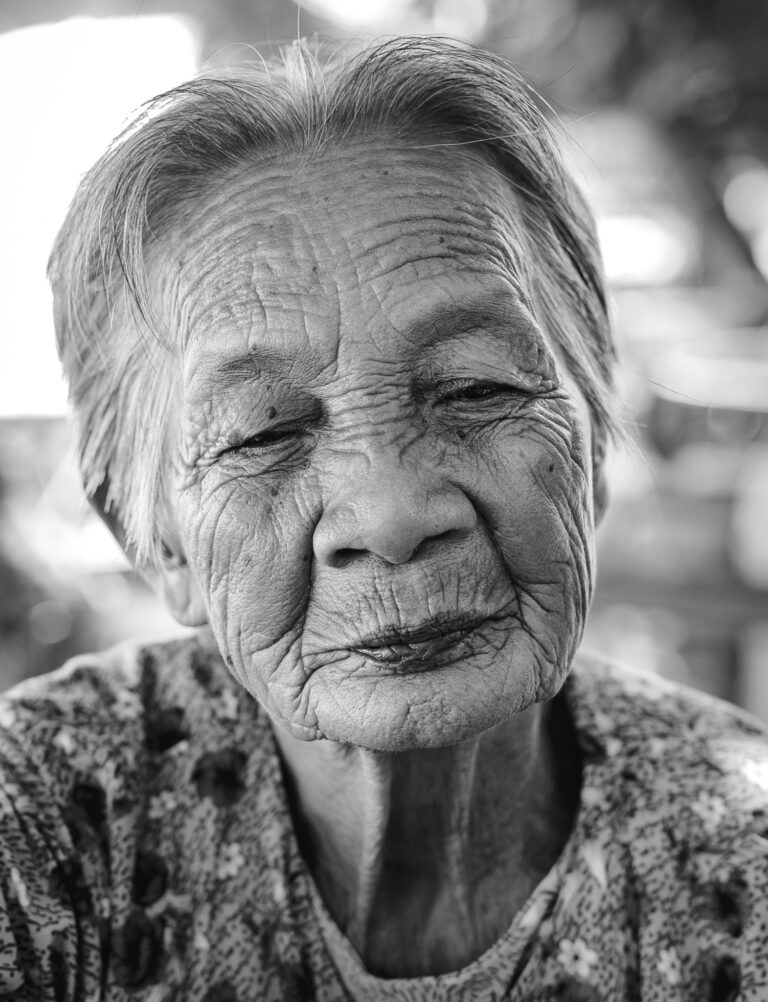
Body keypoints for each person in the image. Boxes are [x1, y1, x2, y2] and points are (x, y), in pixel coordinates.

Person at [0, 34, 766, 1001]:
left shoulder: (742, 845)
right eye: (263, 435)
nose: (396, 514)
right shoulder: (48, 820)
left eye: (476, 386)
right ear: (155, 543)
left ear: (597, 444)